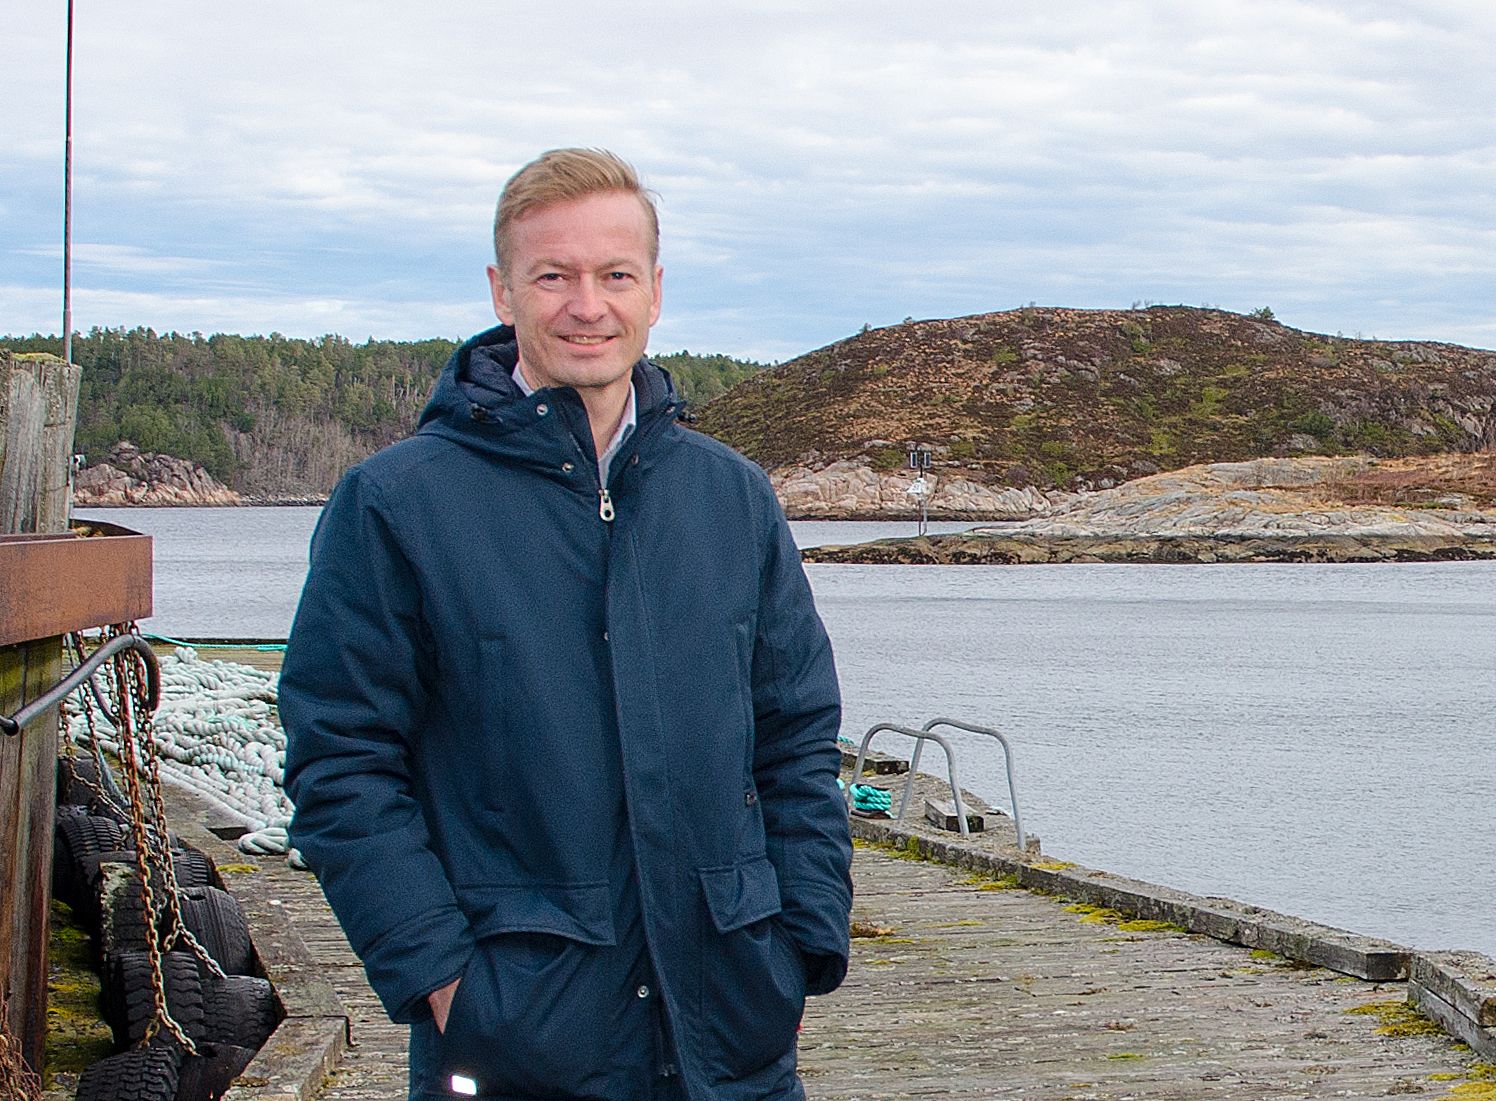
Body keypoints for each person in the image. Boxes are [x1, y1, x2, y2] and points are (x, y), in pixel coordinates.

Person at [279, 148, 853, 1101]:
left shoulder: (733, 498)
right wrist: (447, 986)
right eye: (555, 275)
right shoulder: (396, 504)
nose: (588, 304)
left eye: (615, 274)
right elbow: (340, 761)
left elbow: (795, 739)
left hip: (735, 1039)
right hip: (518, 1050)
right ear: (504, 290)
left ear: (656, 292)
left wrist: (800, 946)